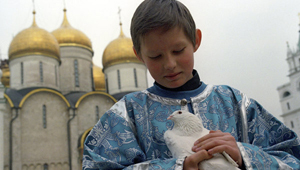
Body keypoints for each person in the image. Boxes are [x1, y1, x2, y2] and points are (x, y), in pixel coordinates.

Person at [82, 0, 300, 169]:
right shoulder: (125, 115)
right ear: (139, 55)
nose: (170, 64)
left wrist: (242, 154)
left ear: (196, 40)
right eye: (156, 56)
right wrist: (177, 167)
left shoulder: (236, 104)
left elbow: (293, 157)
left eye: (178, 51)